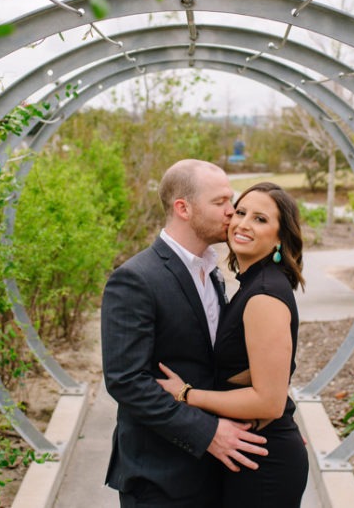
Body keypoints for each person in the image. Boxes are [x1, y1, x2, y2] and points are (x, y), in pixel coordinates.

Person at [101, 159, 269, 507]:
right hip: (159, 477)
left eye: (231, 200)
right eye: (220, 202)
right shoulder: (136, 279)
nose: (232, 211)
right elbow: (126, 380)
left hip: (214, 470)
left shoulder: (215, 271)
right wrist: (207, 433)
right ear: (183, 208)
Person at [156, 181, 309, 508]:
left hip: (263, 462)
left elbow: (269, 403)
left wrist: (186, 394)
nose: (243, 224)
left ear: (280, 237)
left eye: (260, 219)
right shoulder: (253, 283)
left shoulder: (264, 296)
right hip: (250, 449)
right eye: (241, 212)